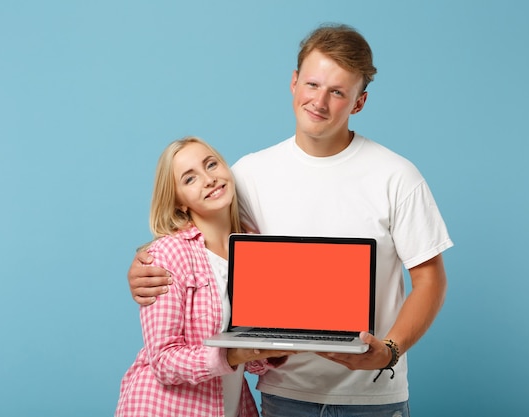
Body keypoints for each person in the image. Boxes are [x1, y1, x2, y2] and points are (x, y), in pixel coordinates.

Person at [127, 24, 453, 417]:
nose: (319, 101)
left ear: (359, 103)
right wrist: (145, 263)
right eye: (312, 84)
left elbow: (430, 278)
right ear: (294, 82)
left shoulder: (397, 176)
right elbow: (203, 244)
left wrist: (390, 350)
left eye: (337, 92)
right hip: (285, 393)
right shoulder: (247, 176)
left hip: (372, 398)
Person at [115, 136, 293, 417]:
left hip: (231, 406)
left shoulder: (255, 250)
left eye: (211, 165)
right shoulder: (168, 254)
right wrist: (232, 355)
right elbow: (162, 361)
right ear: (179, 203)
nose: (209, 179)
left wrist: (273, 349)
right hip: (165, 408)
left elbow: (248, 357)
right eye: (190, 179)